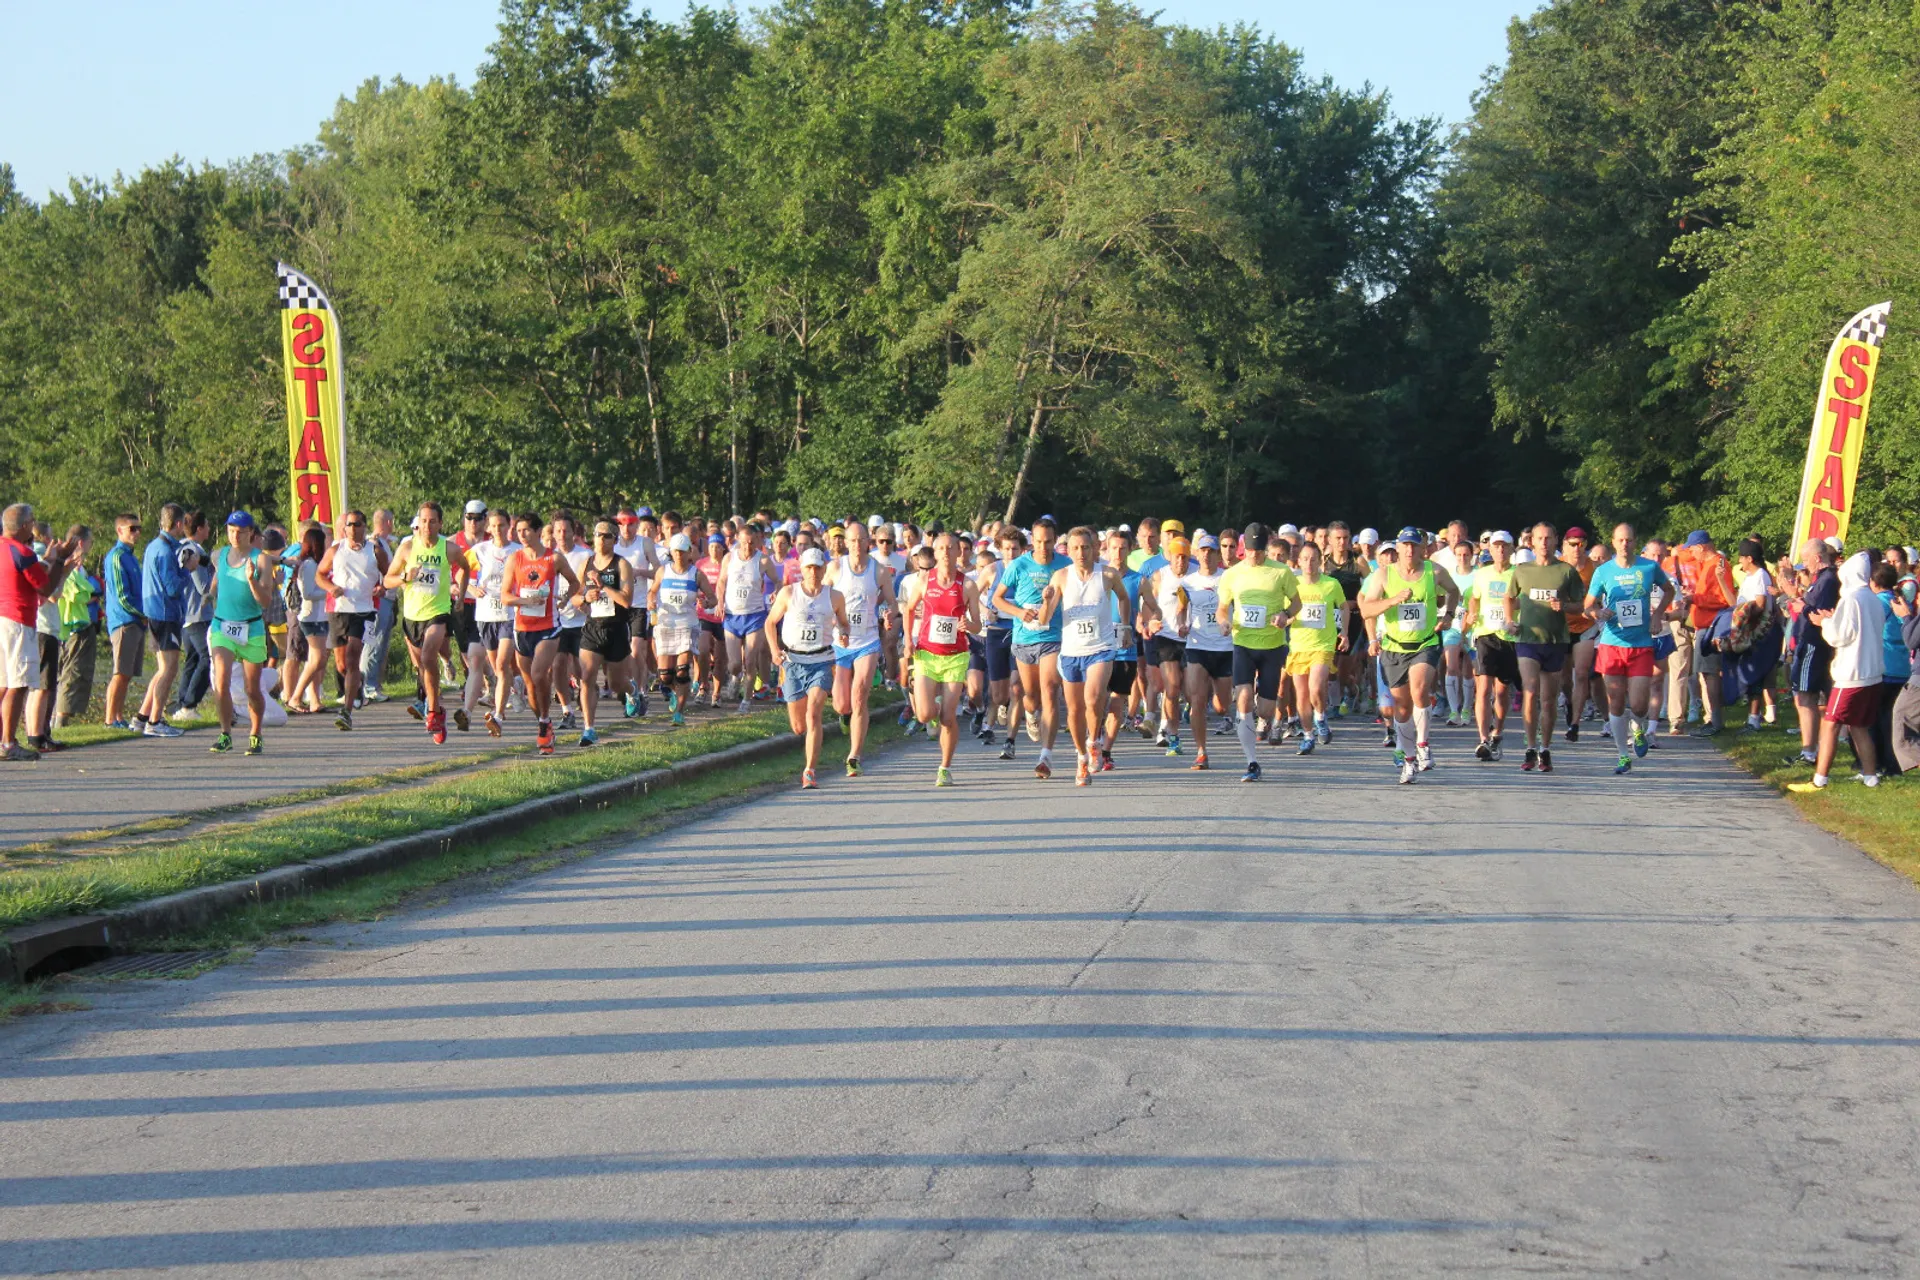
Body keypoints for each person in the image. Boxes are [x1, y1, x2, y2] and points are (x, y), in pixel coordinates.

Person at [1358, 526, 1458, 784]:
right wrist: (1392, 601)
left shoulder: (1434, 571)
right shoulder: (1383, 575)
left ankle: (1423, 744)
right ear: (1399, 547)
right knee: (1401, 709)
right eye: (1405, 545)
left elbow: (1454, 591)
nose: (1410, 550)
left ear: (1423, 548)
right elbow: (1367, 611)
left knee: (1420, 690)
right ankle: (1409, 760)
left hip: (1425, 643)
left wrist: (1448, 615)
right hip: (1394, 647)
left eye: (1414, 545)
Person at [1038, 526, 1130, 785]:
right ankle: (1081, 757)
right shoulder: (1061, 577)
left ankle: (1094, 740)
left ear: (1095, 548)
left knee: (1093, 697)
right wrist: (1046, 600)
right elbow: (1044, 619)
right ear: (1068, 551)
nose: (1081, 553)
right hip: (1071, 651)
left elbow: (1124, 598)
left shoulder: (1108, 574)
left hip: (1101, 648)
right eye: (1075, 548)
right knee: (1075, 710)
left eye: (1085, 547)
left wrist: (1125, 626)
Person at [1789, 551, 1887, 791]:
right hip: (1872, 673)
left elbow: (1839, 637)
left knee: (1831, 725)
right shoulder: (1872, 598)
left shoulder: (1851, 599)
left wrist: (1823, 622)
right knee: (1859, 726)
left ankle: (1819, 779)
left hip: (1851, 674)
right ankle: (1870, 776)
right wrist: (1834, 619)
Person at [1584, 522, 1675, 775]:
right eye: (1620, 540)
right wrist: (1597, 612)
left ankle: (1638, 728)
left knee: (1639, 705)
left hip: (1641, 644)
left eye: (1629, 540)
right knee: (1615, 702)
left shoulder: (1649, 567)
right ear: (1613, 543)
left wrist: (1658, 614)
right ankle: (1623, 756)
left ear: (1636, 542)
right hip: (1612, 644)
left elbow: (1669, 590)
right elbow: (1587, 605)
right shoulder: (1603, 571)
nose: (1625, 544)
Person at [1215, 522, 1299, 782]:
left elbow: (1297, 603)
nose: (1254, 555)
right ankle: (1251, 762)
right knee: (1243, 699)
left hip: (1272, 646)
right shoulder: (1232, 574)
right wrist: (1223, 622)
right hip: (1243, 644)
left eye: (1259, 550)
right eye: (1250, 550)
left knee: (1265, 709)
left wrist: (1284, 615)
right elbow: (1222, 609)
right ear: (1244, 549)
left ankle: (1267, 719)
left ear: (1265, 548)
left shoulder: (1281, 571)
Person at [383, 502, 468, 745]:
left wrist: (461, 597)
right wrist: (404, 577)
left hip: (438, 612)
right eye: (423, 521)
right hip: (412, 615)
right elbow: (387, 580)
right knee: (423, 665)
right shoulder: (407, 548)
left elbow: (465, 568)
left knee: (429, 655)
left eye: (432, 521)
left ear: (440, 524)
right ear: (418, 523)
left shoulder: (449, 548)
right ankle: (438, 711)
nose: (427, 526)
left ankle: (431, 710)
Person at [766, 547, 850, 789]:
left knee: (814, 713)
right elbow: (770, 623)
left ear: (824, 570)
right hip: (793, 662)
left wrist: (844, 634)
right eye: (809, 568)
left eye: (818, 568)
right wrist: (774, 650)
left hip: (822, 661)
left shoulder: (835, 596)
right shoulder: (788, 593)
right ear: (802, 570)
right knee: (799, 726)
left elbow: (844, 624)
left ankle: (809, 771)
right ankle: (808, 757)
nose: (814, 572)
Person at [1507, 522, 1585, 774]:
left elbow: (1580, 605)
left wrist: (1563, 606)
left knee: (1549, 700)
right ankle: (1530, 746)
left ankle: (1545, 748)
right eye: (1539, 538)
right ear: (1531, 542)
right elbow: (1509, 597)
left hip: (1555, 640)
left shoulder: (1566, 571)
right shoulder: (1522, 570)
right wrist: (1509, 621)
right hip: (1528, 639)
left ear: (1555, 541)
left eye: (1548, 538)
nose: (1543, 543)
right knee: (1530, 692)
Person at [1, 505, 78, 761]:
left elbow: (30, 572)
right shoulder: (22, 552)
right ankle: (8, 743)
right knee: (19, 684)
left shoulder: (6, 548)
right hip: (19, 622)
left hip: (2, 619)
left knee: (3, 684)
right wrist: (60, 560)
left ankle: (4, 740)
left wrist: (48, 560)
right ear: (24, 526)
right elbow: (45, 588)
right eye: (31, 522)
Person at [993, 515, 1068, 775]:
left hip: (1052, 637)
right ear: (1031, 542)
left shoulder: (1065, 565)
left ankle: (1045, 756)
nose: (1043, 547)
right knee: (1032, 698)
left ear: (1055, 541)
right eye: (1038, 542)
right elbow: (998, 599)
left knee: (1050, 690)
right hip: (1024, 639)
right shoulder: (1019, 565)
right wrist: (1018, 612)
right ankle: (1031, 714)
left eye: (1048, 542)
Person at [501, 515, 582, 756]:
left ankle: (545, 721)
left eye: (526, 530)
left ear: (538, 532)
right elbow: (505, 595)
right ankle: (543, 722)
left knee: (539, 674)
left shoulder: (553, 558)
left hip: (549, 627)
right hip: (522, 628)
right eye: (518, 531)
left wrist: (565, 598)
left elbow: (574, 583)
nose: (522, 535)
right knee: (530, 685)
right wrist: (525, 601)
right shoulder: (515, 559)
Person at [206, 512, 276, 755]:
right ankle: (225, 733)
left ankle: (255, 734)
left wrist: (251, 581)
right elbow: (216, 583)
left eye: (241, 532)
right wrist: (208, 596)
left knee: (252, 689)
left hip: (251, 628)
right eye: (231, 531)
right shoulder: (220, 555)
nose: (235, 536)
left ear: (251, 533)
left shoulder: (261, 560)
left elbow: (265, 601)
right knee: (221, 681)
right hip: (223, 626)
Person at [828, 520, 894, 773]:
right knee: (841, 704)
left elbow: (892, 602)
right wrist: (833, 623)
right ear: (846, 543)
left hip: (867, 641)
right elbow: (822, 600)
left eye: (861, 540)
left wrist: (888, 614)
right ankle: (845, 716)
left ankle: (854, 756)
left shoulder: (879, 571)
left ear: (868, 541)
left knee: (859, 696)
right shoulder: (835, 568)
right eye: (853, 540)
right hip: (840, 642)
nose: (857, 544)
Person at [316, 510, 389, 731]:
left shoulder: (375, 551)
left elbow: (389, 576)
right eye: (349, 525)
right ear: (344, 528)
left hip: (365, 611)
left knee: (353, 655)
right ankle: (357, 683)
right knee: (342, 665)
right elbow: (319, 575)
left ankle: (346, 711)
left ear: (365, 527)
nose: (353, 529)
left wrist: (382, 588)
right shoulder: (336, 550)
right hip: (339, 610)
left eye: (357, 524)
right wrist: (331, 587)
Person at [133, 503, 199, 738]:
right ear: (178, 523)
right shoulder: (164, 551)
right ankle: (155, 720)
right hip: (165, 614)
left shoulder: (153, 546)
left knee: (162, 669)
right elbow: (172, 588)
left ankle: (142, 717)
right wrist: (188, 569)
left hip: (155, 613)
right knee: (170, 669)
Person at [577, 517, 638, 745]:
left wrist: (604, 586)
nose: (601, 540)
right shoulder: (586, 563)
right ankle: (589, 729)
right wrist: (585, 597)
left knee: (616, 685)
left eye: (607, 536)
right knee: (586, 677)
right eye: (598, 535)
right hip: (593, 628)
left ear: (615, 540)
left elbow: (626, 600)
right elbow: (575, 597)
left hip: (616, 629)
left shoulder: (622, 565)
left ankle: (632, 691)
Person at [1284, 540, 1349, 754]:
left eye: (1313, 559)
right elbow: (1284, 612)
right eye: (1305, 559)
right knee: (1302, 695)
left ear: (1320, 561)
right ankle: (1308, 735)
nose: (1309, 563)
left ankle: (1320, 717)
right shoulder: (1292, 585)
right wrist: (1285, 620)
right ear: (1299, 561)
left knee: (1315, 687)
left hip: (1323, 645)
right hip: (1298, 646)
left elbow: (1344, 607)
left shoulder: (1331, 584)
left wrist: (1344, 632)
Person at [1463, 530, 1519, 761]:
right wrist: (1472, 613)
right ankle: (1483, 739)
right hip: (1485, 634)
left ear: (1512, 549)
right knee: (1484, 688)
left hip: (1510, 637)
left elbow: (1524, 601)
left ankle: (1498, 732)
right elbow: (1474, 598)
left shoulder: (1519, 573)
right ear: (1491, 549)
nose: (1500, 550)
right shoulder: (1482, 574)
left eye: (1505, 546)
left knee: (1502, 691)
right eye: (1496, 546)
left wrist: (1512, 612)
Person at [464, 508, 519, 735]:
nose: (498, 530)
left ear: (509, 526)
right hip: (486, 614)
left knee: (502, 664)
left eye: (502, 525)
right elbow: (459, 571)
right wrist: (470, 588)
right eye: (494, 526)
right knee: (498, 668)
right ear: (488, 527)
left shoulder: (518, 551)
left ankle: (498, 715)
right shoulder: (480, 550)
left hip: (509, 613)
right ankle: (516, 688)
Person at [1788, 539, 1841, 767]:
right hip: (1810, 642)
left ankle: (1809, 751)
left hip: (1814, 644)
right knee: (1807, 695)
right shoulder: (1821, 579)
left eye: (1806, 559)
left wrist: (1804, 607)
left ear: (1817, 558)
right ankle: (1813, 748)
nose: (1805, 564)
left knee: (1805, 695)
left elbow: (1820, 612)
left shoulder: (1828, 580)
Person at [1139, 534, 1193, 755]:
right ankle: (1172, 735)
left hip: (1193, 639)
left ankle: (1174, 721)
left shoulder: (1197, 576)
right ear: (1169, 556)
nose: (1180, 561)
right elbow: (1148, 604)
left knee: (1190, 692)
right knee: (1171, 687)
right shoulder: (1160, 576)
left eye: (1184, 557)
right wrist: (1149, 622)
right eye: (1176, 556)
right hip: (1167, 637)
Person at [649, 531, 707, 727]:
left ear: (689, 552)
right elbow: (652, 591)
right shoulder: (663, 571)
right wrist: (650, 600)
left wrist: (705, 601)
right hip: (666, 624)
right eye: (676, 551)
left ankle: (679, 714)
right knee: (665, 675)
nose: (679, 555)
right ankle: (675, 692)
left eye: (682, 551)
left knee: (682, 671)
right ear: (671, 552)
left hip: (687, 624)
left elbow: (713, 598)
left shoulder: (696, 574)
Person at [718, 523, 777, 712]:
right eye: (744, 543)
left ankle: (746, 701)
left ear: (757, 541)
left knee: (750, 661)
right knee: (735, 664)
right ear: (738, 540)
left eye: (751, 543)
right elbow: (721, 581)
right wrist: (720, 602)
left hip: (755, 616)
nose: (748, 547)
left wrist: (776, 591)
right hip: (732, 616)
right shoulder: (729, 558)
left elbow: (778, 580)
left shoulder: (763, 560)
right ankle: (735, 677)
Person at [282, 524, 332, 715]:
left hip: (320, 616)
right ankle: (295, 696)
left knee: (316, 659)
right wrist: (329, 591)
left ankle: (313, 699)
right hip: (311, 617)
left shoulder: (314, 564)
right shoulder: (309, 565)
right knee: (317, 659)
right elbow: (308, 593)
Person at [54, 527, 100, 731]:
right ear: (81, 542)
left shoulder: (77, 567)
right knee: (71, 673)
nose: (91, 545)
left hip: (79, 625)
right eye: (90, 541)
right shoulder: (70, 567)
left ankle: (63, 718)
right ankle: (60, 720)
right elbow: (76, 594)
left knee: (77, 673)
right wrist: (93, 593)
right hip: (73, 626)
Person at [102, 512, 144, 729]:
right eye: (132, 529)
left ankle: (118, 716)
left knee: (127, 674)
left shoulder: (131, 557)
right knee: (120, 672)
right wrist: (143, 613)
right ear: (120, 530)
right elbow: (122, 596)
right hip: (124, 621)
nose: (137, 533)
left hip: (135, 621)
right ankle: (110, 718)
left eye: (139, 529)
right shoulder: (117, 556)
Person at [1558, 526, 1599, 739]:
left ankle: (1574, 724)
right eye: (1572, 544)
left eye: (1581, 544)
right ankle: (1569, 702)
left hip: (1585, 625)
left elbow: (1601, 595)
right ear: (1565, 545)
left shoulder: (1594, 568)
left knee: (1582, 674)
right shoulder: (1557, 566)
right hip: (1561, 626)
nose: (1577, 548)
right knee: (1564, 680)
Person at [172, 511, 213, 721]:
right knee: (209, 658)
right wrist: (219, 577)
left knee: (193, 660)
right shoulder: (192, 550)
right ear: (199, 528)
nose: (209, 529)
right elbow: (203, 586)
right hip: (197, 615)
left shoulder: (180, 546)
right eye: (207, 525)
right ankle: (189, 705)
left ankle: (182, 705)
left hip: (187, 615)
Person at [1869, 561, 1909, 778]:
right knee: (1894, 718)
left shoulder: (1877, 602)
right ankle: (1896, 763)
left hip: (1884, 665)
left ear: (1874, 582)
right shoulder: (1901, 601)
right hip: (1903, 666)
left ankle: (1880, 762)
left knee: (1878, 718)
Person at [358, 509, 399, 703]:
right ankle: (367, 685)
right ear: (389, 522)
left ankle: (373, 683)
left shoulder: (383, 543)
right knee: (373, 641)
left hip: (388, 598)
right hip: (379, 599)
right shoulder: (374, 545)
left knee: (381, 643)